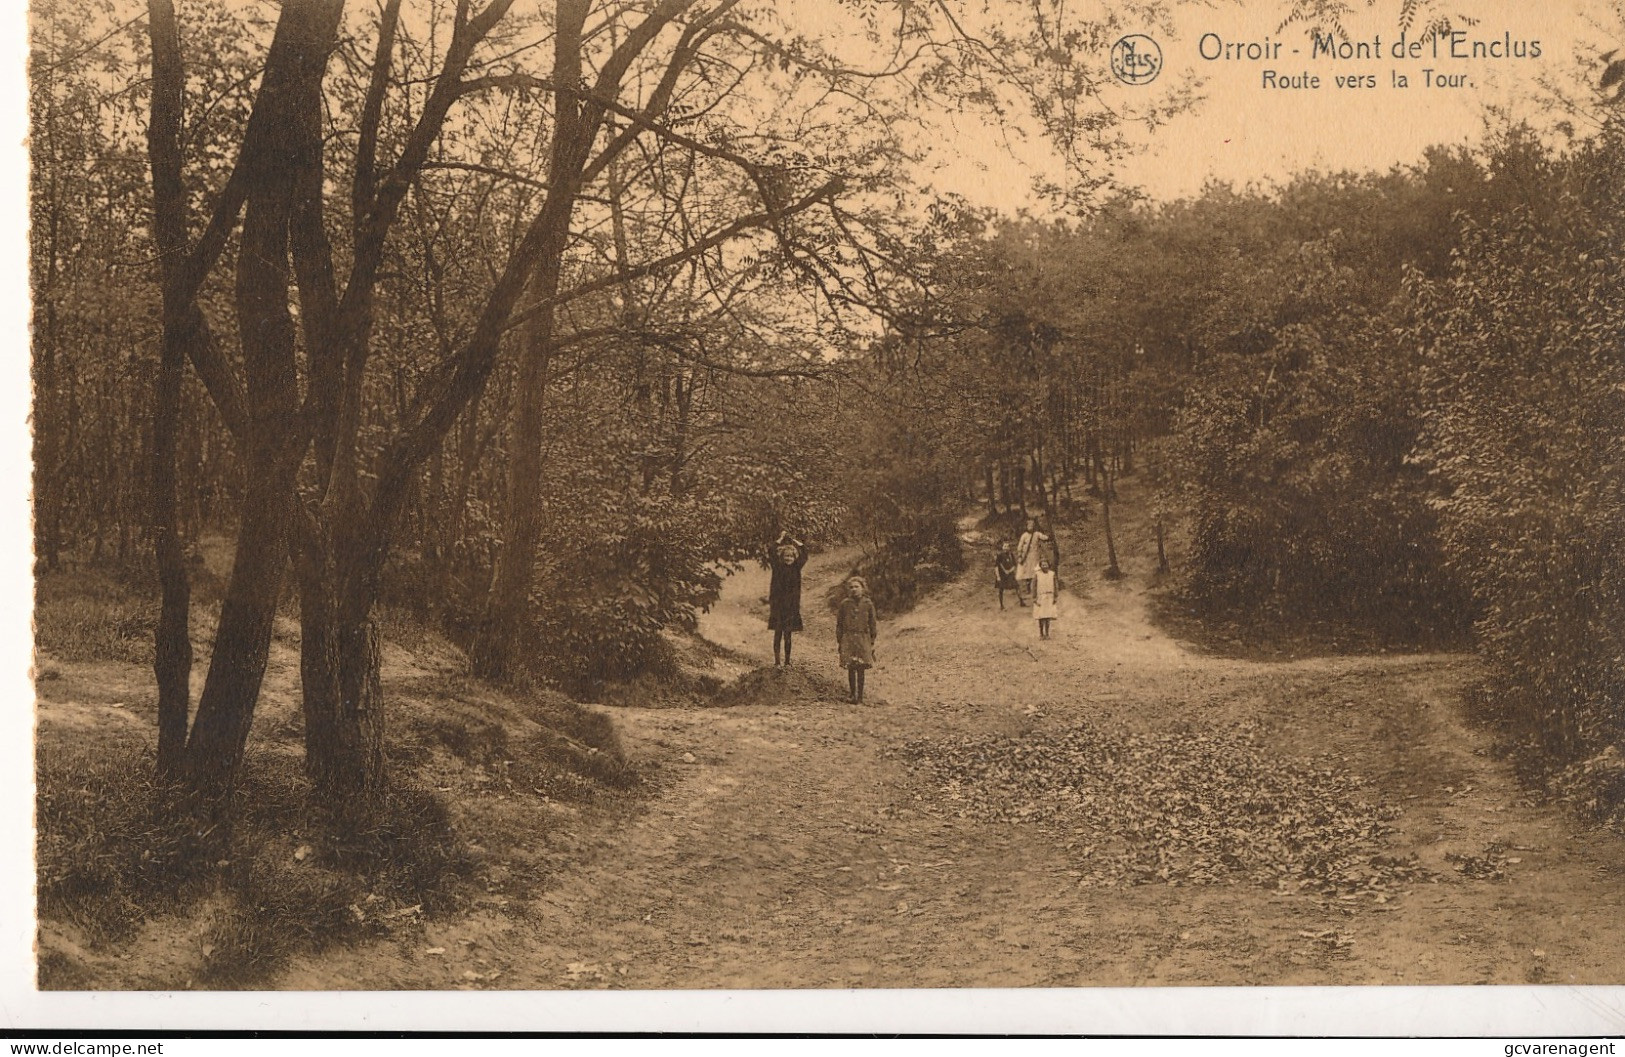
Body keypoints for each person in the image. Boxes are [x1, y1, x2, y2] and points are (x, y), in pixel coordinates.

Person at [766, 531, 809, 667]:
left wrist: (794, 540)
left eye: (791, 556)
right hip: (778, 606)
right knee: (777, 634)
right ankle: (777, 661)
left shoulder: (797, 568)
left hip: (791, 607)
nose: (788, 558)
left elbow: (805, 553)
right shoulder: (777, 567)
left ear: (795, 557)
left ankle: (787, 662)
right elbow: (771, 550)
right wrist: (781, 538)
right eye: (786, 556)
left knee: (788, 635)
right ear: (782, 557)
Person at [835, 576, 878, 703]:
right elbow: (839, 624)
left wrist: (871, 641)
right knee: (851, 667)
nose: (854, 589)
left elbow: (873, 623)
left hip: (862, 638)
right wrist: (840, 640)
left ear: (863, 588)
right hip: (848, 638)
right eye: (851, 587)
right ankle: (852, 694)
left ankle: (860, 696)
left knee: (861, 667)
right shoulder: (845, 604)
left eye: (857, 587)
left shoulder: (868, 604)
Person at [1015, 517, 1049, 605]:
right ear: (1026, 526)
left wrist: (1047, 535)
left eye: (1032, 525)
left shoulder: (1037, 534)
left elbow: (1045, 537)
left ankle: (1035, 588)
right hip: (1026, 556)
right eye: (1029, 525)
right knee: (1026, 573)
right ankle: (1027, 588)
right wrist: (1019, 556)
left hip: (1035, 556)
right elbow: (1020, 546)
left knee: (1034, 572)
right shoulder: (1024, 535)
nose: (1031, 527)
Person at [1032, 556, 1059, 639]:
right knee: (1041, 616)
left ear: (1048, 565)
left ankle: (1047, 633)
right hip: (1040, 596)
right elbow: (1034, 586)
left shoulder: (1052, 574)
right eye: (1043, 565)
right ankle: (1041, 633)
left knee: (1048, 616)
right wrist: (1034, 597)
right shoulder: (1037, 574)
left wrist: (1055, 597)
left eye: (1046, 565)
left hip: (1049, 596)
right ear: (1040, 566)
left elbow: (1055, 586)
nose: (1044, 566)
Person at [993, 541, 1019, 610]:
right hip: (1002, 575)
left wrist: (1010, 571)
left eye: (1008, 546)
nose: (1006, 548)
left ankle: (1021, 601)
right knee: (1001, 589)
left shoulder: (1011, 555)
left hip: (1010, 574)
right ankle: (1001, 605)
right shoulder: (999, 556)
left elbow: (1014, 565)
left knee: (1017, 586)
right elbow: (996, 566)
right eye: (1005, 546)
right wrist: (998, 576)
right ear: (1002, 547)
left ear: (1009, 548)